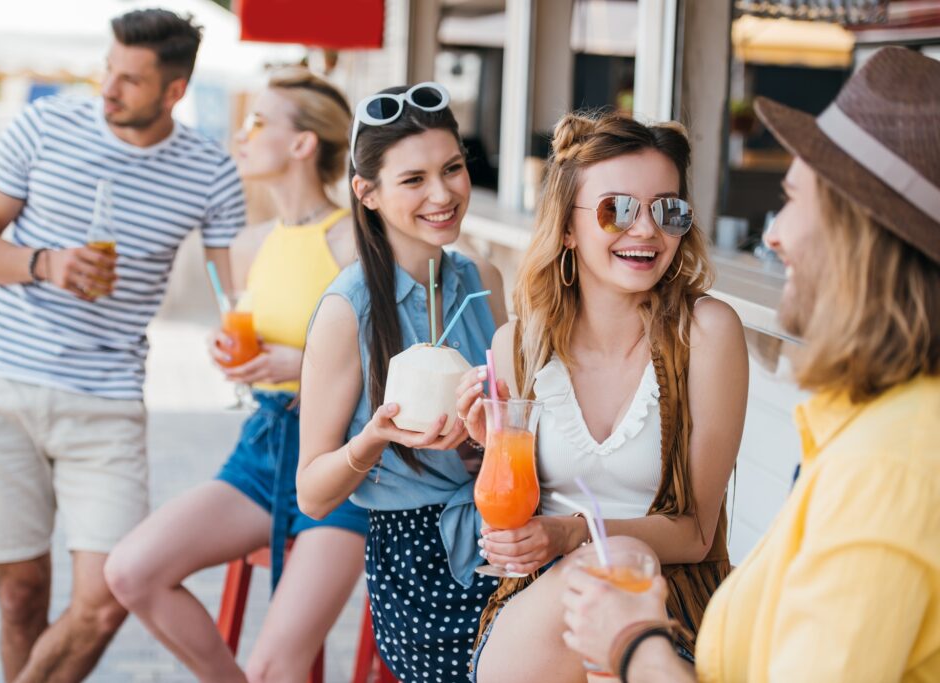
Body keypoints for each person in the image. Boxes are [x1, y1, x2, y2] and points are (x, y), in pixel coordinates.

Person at [561, 46, 940, 683]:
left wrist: (634, 643)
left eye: (793, 200)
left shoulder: (888, 469)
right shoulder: (874, 425)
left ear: (857, 234)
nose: (772, 234)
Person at [0, 10, 245, 682]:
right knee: (19, 592)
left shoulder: (209, 170)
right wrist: (44, 263)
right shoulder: (42, 125)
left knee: (107, 595)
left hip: (108, 398)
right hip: (4, 381)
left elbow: (239, 291)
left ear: (174, 92)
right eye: (108, 69)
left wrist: (241, 334)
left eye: (130, 80)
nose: (107, 89)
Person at [457, 111, 748, 682]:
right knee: (583, 578)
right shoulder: (519, 344)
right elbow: (510, 516)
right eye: (617, 209)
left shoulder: (708, 334)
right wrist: (484, 445)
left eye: (668, 209)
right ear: (567, 227)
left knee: (607, 567)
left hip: (670, 604)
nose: (646, 231)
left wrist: (574, 533)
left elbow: (694, 533)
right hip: (539, 604)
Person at [103, 68, 368, 683]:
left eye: (258, 122)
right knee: (131, 571)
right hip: (265, 446)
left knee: (278, 665)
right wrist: (231, 354)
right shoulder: (252, 243)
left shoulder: (355, 241)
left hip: (345, 464)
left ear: (303, 144)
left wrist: (302, 367)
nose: (240, 134)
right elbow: (257, 338)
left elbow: (393, 366)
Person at [296, 82, 508, 681]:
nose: (443, 194)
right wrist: (375, 439)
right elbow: (312, 494)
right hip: (416, 559)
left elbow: (512, 418)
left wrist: (487, 441)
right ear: (367, 192)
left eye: (453, 169)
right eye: (413, 180)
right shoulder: (350, 309)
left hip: (503, 536)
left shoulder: (482, 278)